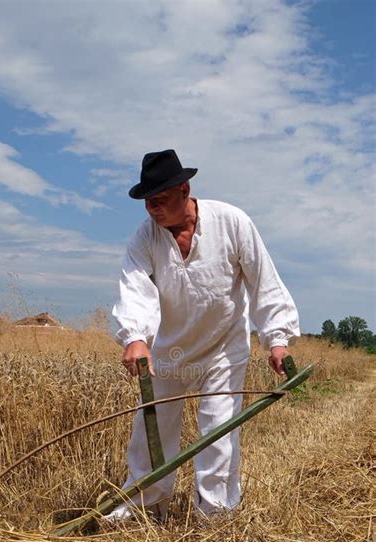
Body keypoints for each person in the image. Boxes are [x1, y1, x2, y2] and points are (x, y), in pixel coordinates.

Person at [110, 149, 299, 520]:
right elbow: (135, 289)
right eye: (148, 201)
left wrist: (277, 338)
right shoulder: (144, 238)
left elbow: (264, 281)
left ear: (185, 190)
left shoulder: (232, 222)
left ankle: (214, 513)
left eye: (161, 200)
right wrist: (134, 337)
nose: (153, 209)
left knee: (218, 431)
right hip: (170, 349)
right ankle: (146, 507)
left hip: (223, 348)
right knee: (151, 426)